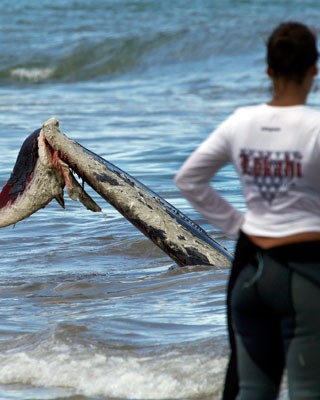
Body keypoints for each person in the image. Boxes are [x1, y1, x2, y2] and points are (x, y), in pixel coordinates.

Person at [175, 21, 320, 399]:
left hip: (250, 271)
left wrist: (236, 225)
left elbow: (189, 179)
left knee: (252, 392)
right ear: (314, 70)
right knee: (307, 390)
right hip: (305, 274)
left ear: (269, 70)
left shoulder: (241, 122)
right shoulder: (316, 127)